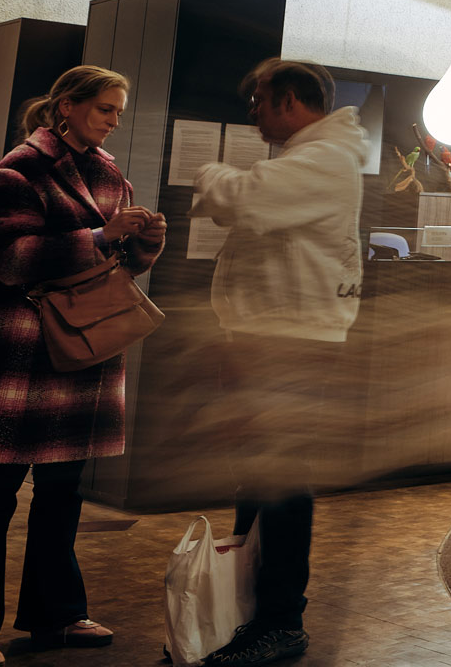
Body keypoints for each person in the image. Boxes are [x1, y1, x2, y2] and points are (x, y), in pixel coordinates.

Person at [0, 66, 164, 663]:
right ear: (66, 106)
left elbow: (119, 266)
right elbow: (12, 261)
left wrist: (142, 243)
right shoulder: (15, 171)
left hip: (86, 349)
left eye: (118, 109)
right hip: (23, 351)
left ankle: (56, 616)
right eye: (106, 109)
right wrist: (101, 233)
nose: (115, 120)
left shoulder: (108, 172)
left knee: (62, 493)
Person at [190, 58, 366, 667]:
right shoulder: (310, 156)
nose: (253, 113)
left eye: (259, 101)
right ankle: (250, 612)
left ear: (290, 101)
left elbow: (246, 201)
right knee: (260, 478)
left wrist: (208, 172)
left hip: (292, 342)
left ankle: (281, 620)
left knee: (282, 480)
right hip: (272, 337)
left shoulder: (325, 159)